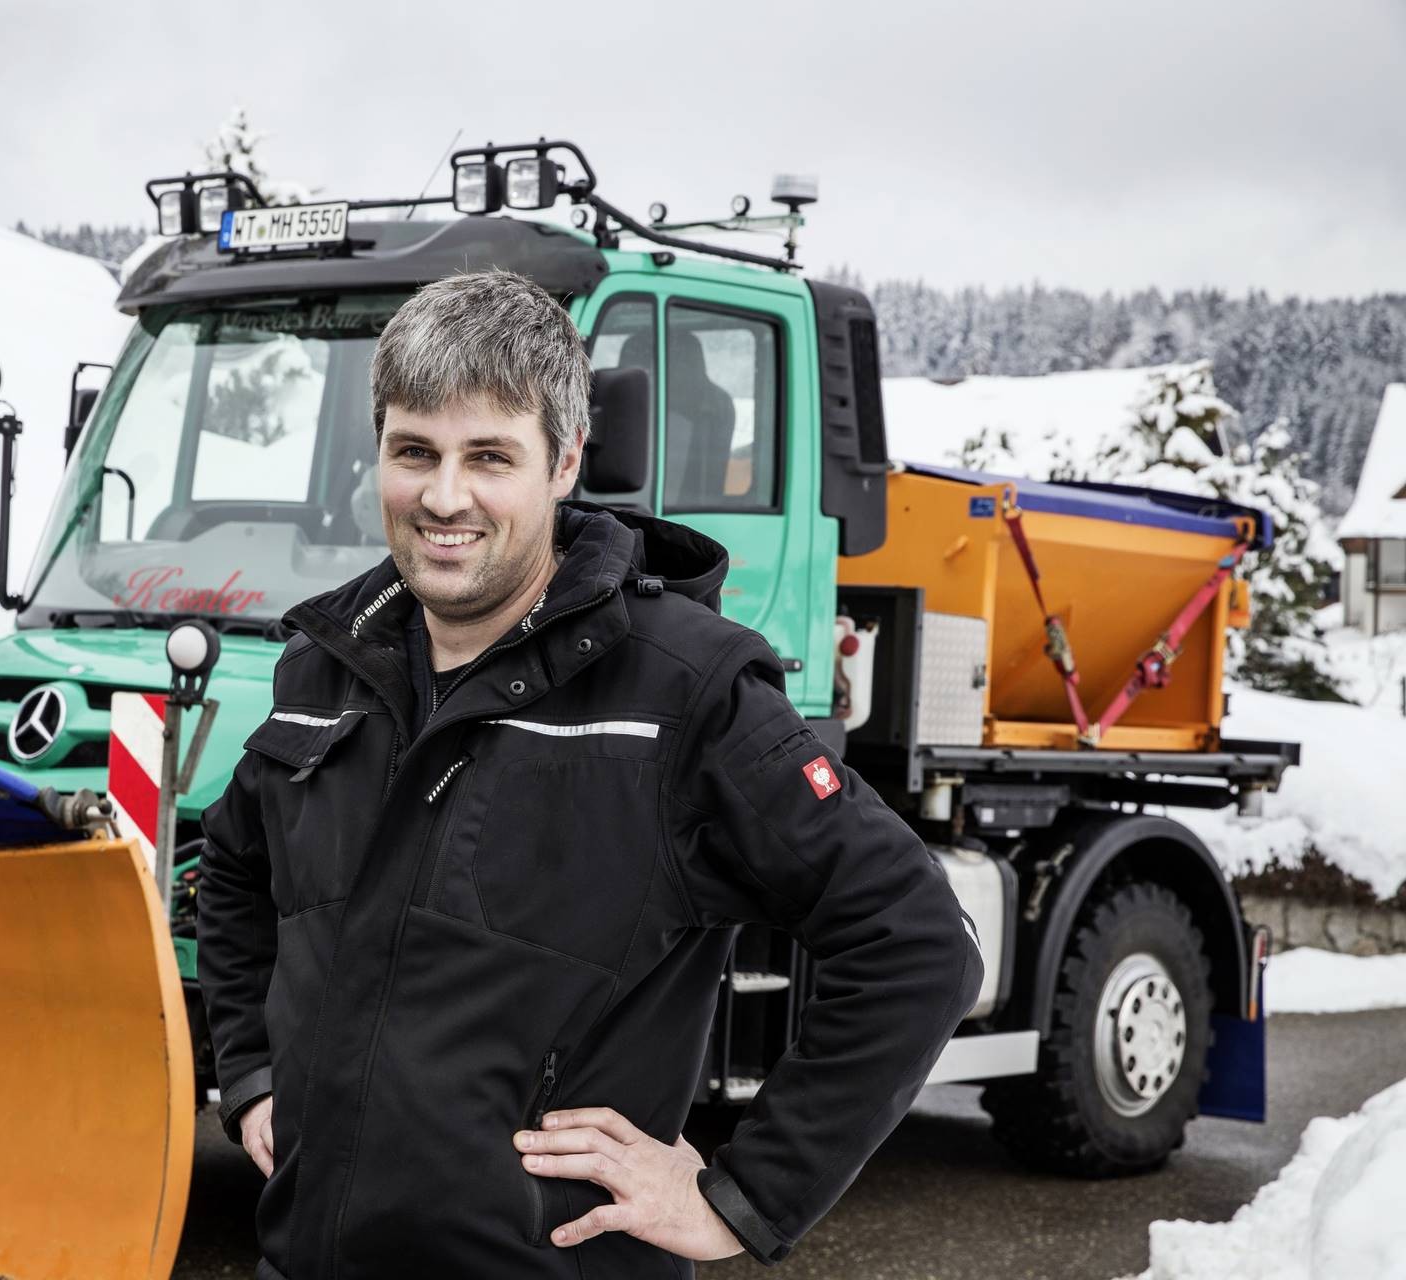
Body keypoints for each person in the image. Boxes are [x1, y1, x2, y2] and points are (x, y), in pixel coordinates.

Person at [197, 268, 983, 1279]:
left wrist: (743, 1196)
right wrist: (253, 1076)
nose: (444, 496)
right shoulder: (327, 664)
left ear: (565, 461)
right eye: (414, 451)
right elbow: (234, 864)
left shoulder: (683, 691)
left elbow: (915, 942)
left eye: (490, 456)